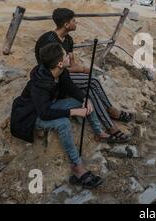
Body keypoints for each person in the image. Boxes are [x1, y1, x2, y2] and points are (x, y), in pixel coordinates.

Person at [11, 43, 113, 189]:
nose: (69, 57)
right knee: (63, 122)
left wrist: (84, 98)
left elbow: (70, 87)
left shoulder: (60, 71)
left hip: (48, 106)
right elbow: (44, 114)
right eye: (66, 55)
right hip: (31, 116)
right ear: (60, 63)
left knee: (82, 100)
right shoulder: (39, 84)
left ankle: (99, 132)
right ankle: (77, 167)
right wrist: (73, 112)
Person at [35, 8, 133, 143]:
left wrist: (86, 69)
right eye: (74, 20)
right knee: (92, 82)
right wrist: (85, 72)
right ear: (66, 24)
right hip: (54, 78)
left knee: (91, 84)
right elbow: (55, 69)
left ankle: (107, 123)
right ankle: (110, 116)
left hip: (63, 74)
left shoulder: (68, 39)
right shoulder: (49, 41)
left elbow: (71, 65)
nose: (77, 22)